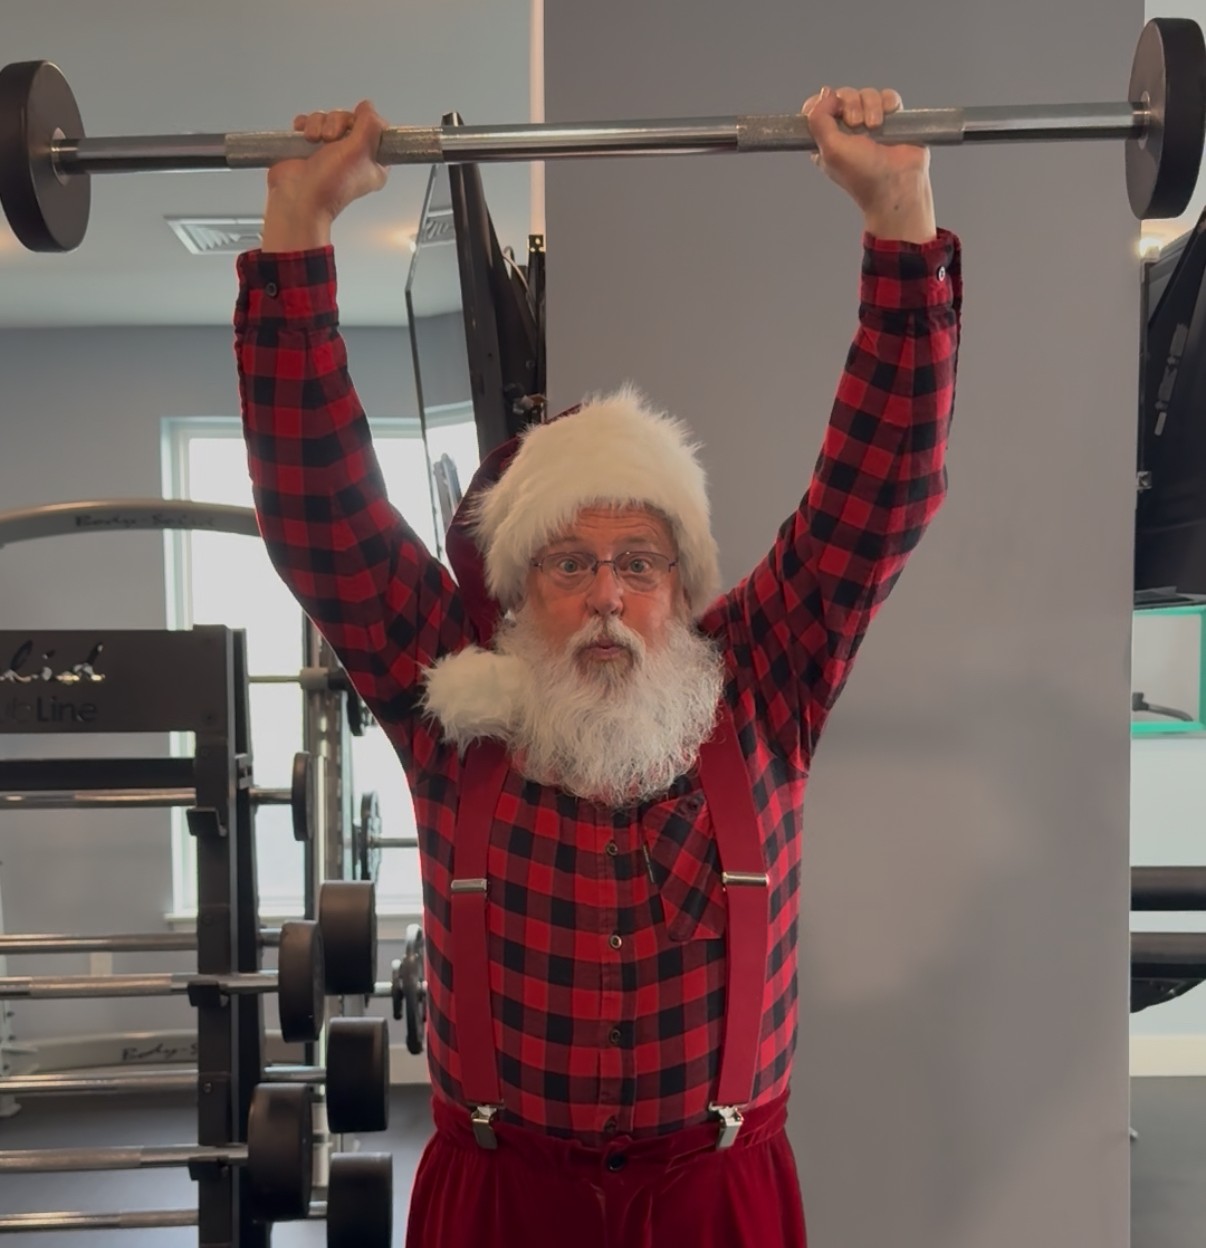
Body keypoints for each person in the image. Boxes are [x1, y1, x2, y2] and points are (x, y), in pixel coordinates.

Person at [235, 83, 960, 1248]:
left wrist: (901, 215)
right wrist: (295, 235)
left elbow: (880, 493)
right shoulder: (449, 707)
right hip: (500, 1197)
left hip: (719, 1198)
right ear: (518, 594)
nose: (609, 595)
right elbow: (322, 517)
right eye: (569, 563)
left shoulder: (766, 689)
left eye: (639, 560)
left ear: (684, 585)